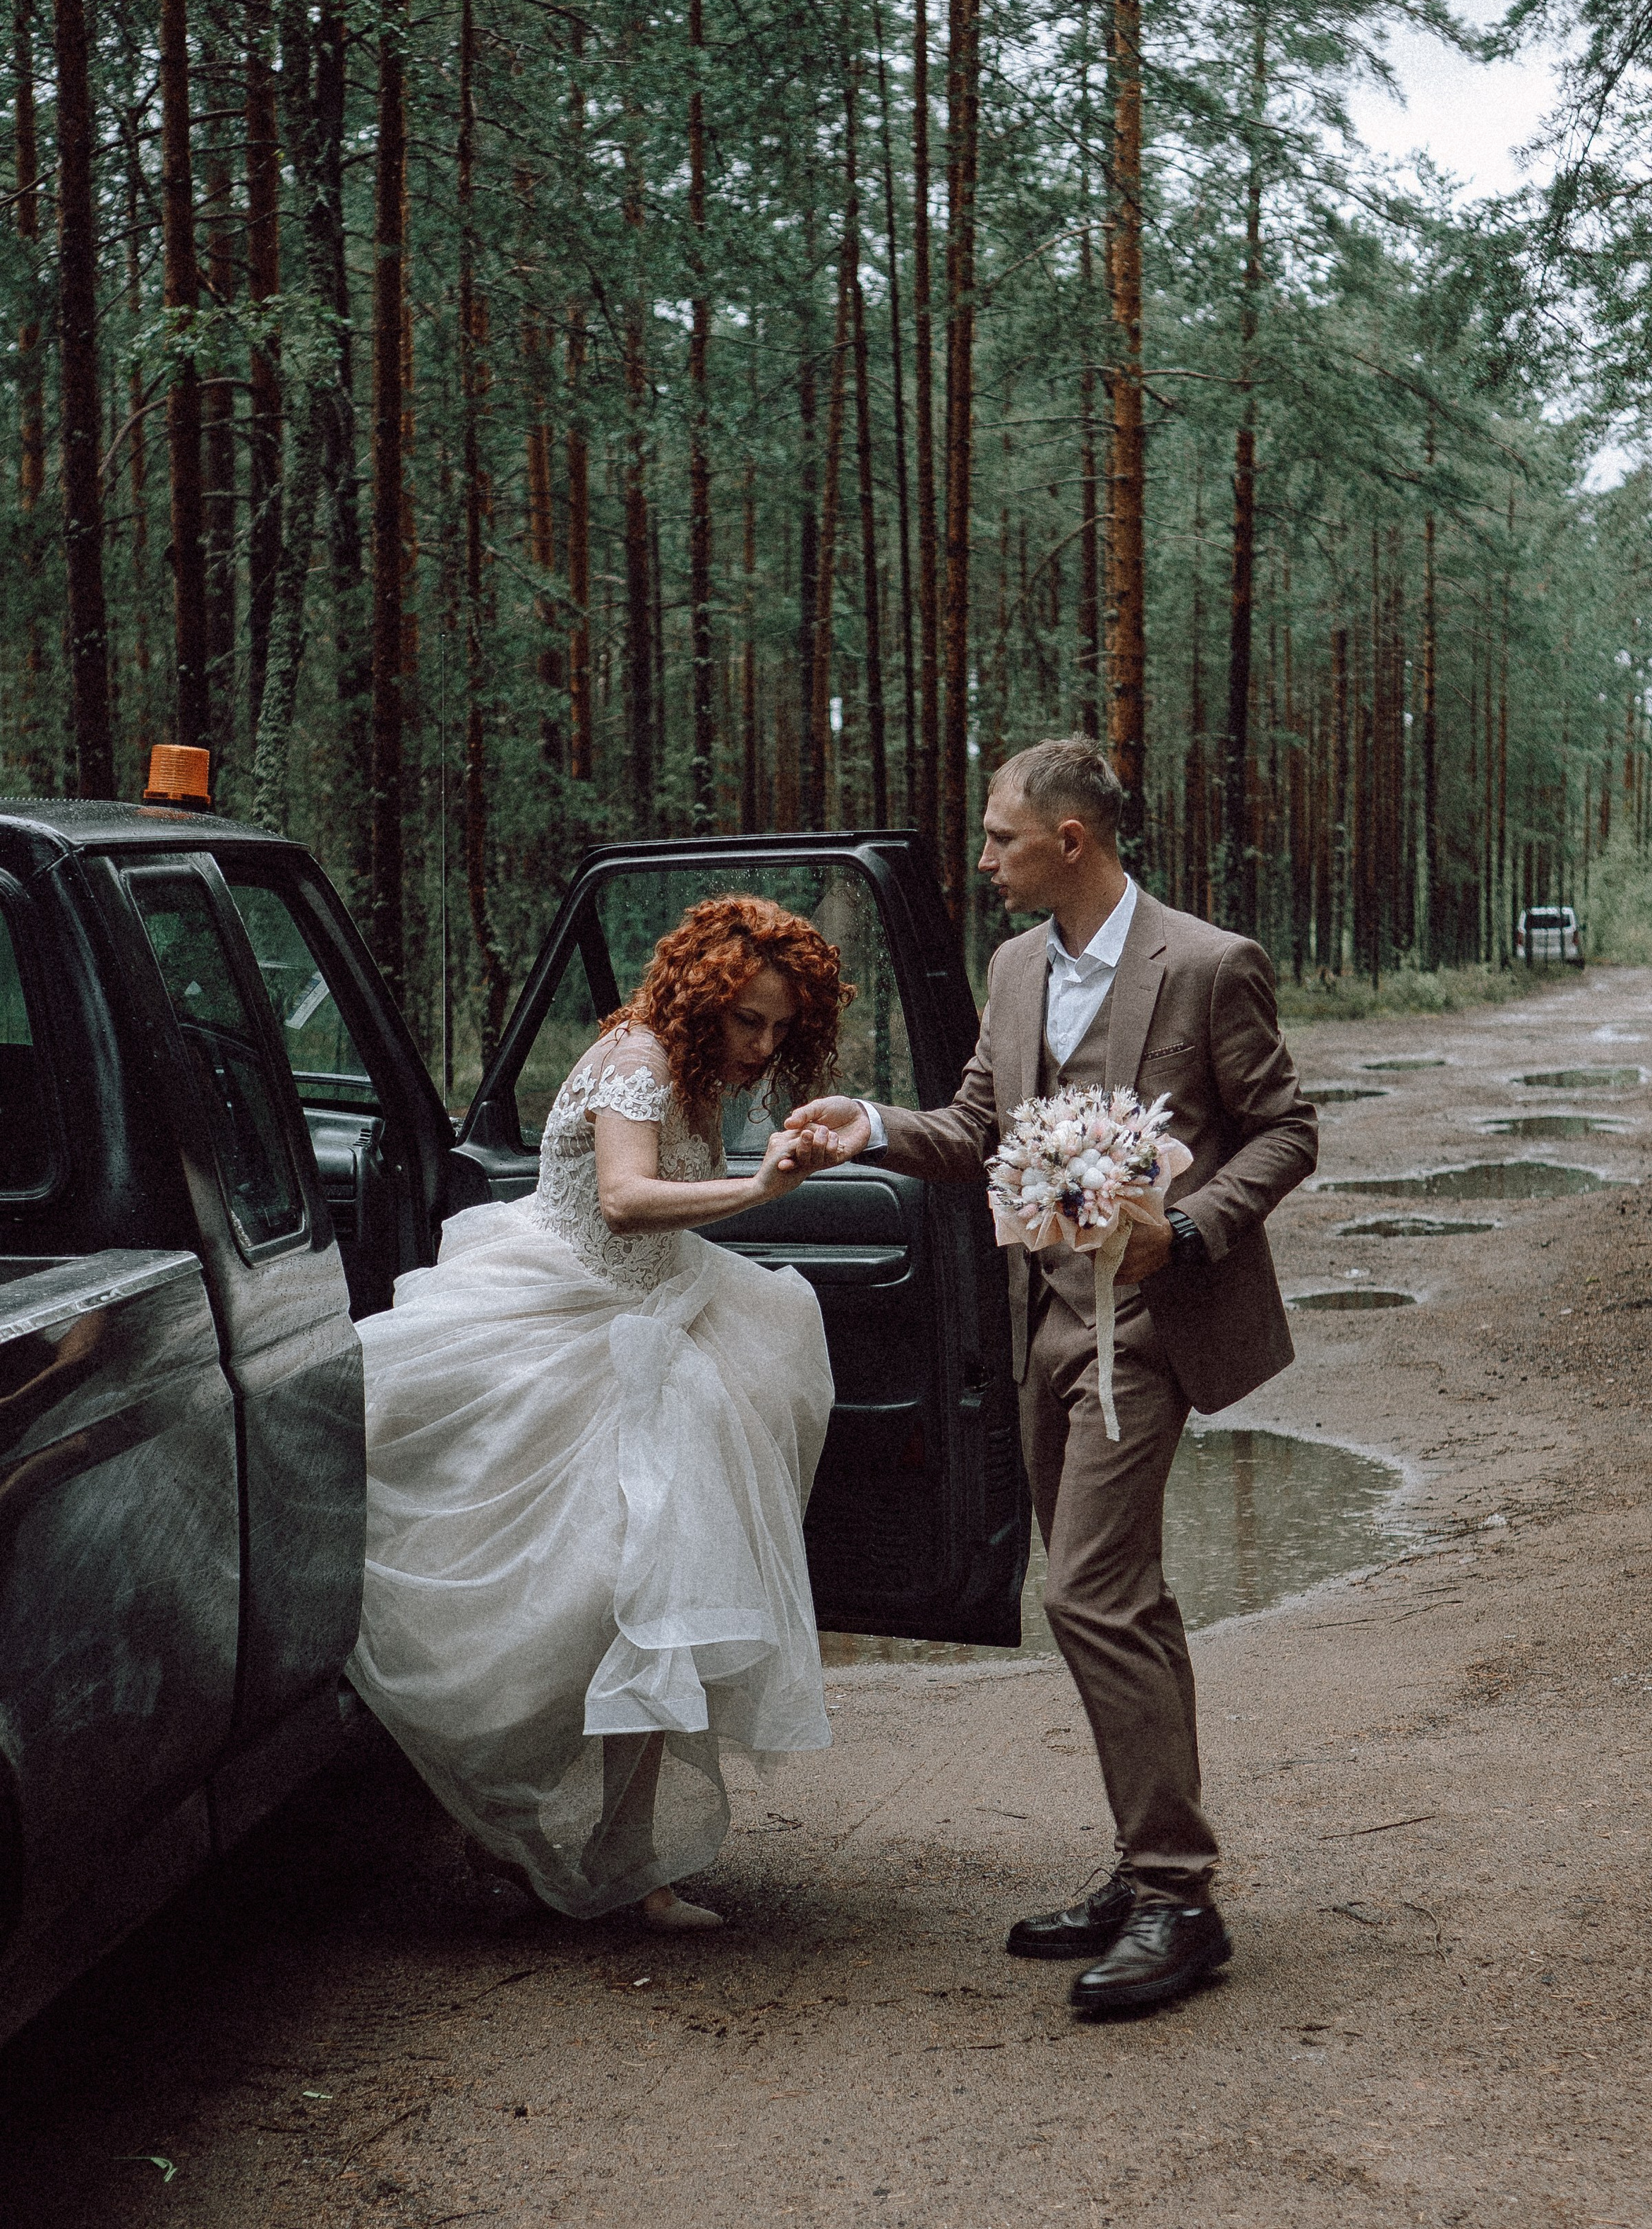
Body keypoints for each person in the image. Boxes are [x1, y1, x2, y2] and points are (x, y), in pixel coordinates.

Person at [789, 737, 1318, 2017]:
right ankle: (1149, 1873)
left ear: (1070, 841)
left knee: (1085, 1585)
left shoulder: (1206, 965)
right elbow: (980, 1129)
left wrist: (1183, 1231)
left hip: (1154, 1320)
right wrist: (867, 1126)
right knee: (1111, 1591)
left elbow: (1287, 1129)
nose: (983, 861)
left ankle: (1182, 1898)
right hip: (1045, 1318)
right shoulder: (1016, 967)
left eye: (999, 838)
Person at [346, 894, 850, 1933]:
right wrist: (758, 1192)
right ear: (702, 997)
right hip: (559, 1331)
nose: (761, 1045)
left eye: (780, 1029)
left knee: (655, 1599)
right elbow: (624, 1198)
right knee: (556, 1611)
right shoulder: (639, 1060)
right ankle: (510, 1819)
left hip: (661, 1329)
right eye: (747, 1019)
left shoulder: (705, 1075)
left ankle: (630, 1858)